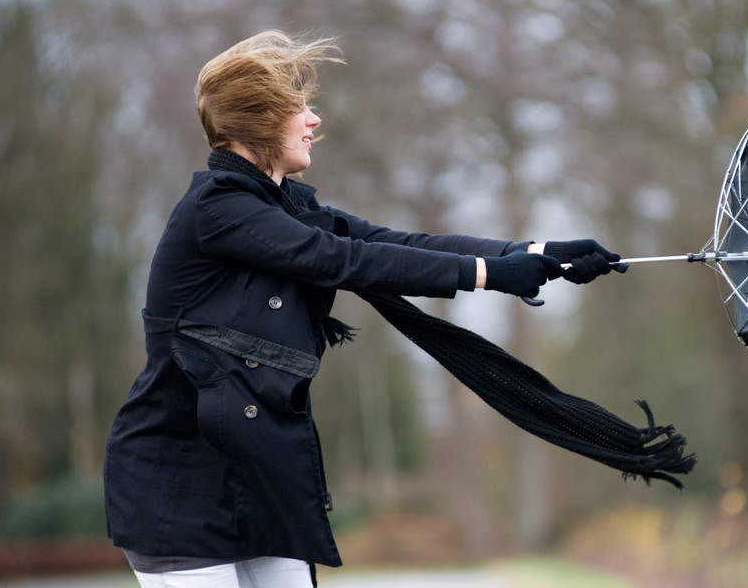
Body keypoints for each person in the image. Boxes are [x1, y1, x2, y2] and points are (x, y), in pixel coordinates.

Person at [103, 29, 624, 588]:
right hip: (179, 489)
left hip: (258, 482)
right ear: (258, 119)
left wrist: (533, 254)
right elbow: (341, 260)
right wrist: (490, 275)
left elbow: (397, 243)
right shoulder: (218, 210)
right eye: (297, 108)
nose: (313, 121)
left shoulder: (286, 207)